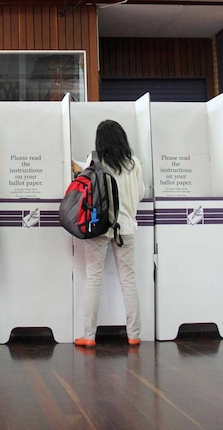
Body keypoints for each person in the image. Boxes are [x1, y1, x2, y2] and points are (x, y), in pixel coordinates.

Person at [73, 119, 145, 348]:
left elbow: (86, 189)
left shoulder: (95, 161)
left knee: (93, 278)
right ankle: (134, 334)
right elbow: (141, 193)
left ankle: (89, 336)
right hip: (126, 228)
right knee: (129, 281)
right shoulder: (134, 163)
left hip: (99, 227)